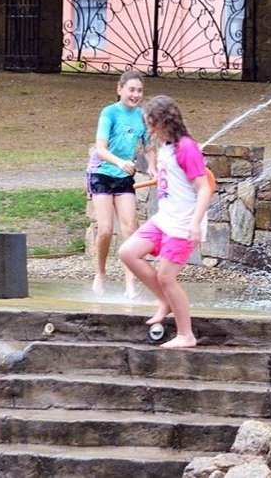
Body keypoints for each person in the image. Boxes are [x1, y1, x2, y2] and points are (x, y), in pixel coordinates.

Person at [119, 95, 212, 349]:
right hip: (165, 219)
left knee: (166, 277)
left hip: (183, 223)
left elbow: (204, 189)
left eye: (151, 123)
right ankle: (165, 300)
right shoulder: (167, 146)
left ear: (164, 122)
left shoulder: (186, 148)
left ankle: (186, 334)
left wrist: (195, 224)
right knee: (128, 252)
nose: (148, 129)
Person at [88, 70, 155, 298]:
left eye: (139, 91)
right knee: (106, 230)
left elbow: (148, 146)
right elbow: (100, 149)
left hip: (124, 178)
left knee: (130, 230)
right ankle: (100, 272)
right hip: (102, 174)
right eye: (131, 90)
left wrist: (153, 168)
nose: (135, 95)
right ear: (120, 89)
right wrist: (119, 162)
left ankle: (130, 283)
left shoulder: (142, 117)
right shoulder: (109, 113)